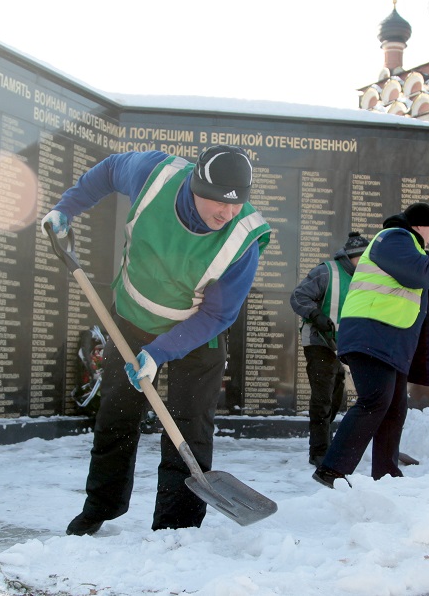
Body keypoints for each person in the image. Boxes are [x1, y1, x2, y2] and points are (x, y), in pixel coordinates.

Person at [43, 145, 270, 535]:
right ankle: (101, 506)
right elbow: (109, 170)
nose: (227, 213)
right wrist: (68, 207)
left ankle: (176, 527)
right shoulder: (154, 175)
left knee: (189, 425)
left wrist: (160, 351)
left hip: (197, 333)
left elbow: (217, 314)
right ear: (195, 185)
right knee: (116, 414)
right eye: (218, 202)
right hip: (131, 320)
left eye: (236, 204)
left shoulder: (244, 239)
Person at [312, 202, 429, 487]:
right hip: (371, 335)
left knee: (394, 408)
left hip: (390, 342)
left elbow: (420, 308)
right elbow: (422, 273)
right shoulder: (393, 239)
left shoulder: (409, 252)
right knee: (376, 400)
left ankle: (387, 475)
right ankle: (332, 470)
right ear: (418, 226)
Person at [289, 231, 369, 467]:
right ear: (351, 257)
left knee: (337, 396)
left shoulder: (365, 277)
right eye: (362, 259)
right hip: (319, 341)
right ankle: (319, 451)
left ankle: (326, 438)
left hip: (343, 343)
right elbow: (298, 297)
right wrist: (316, 315)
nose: (365, 264)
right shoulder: (326, 272)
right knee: (322, 396)